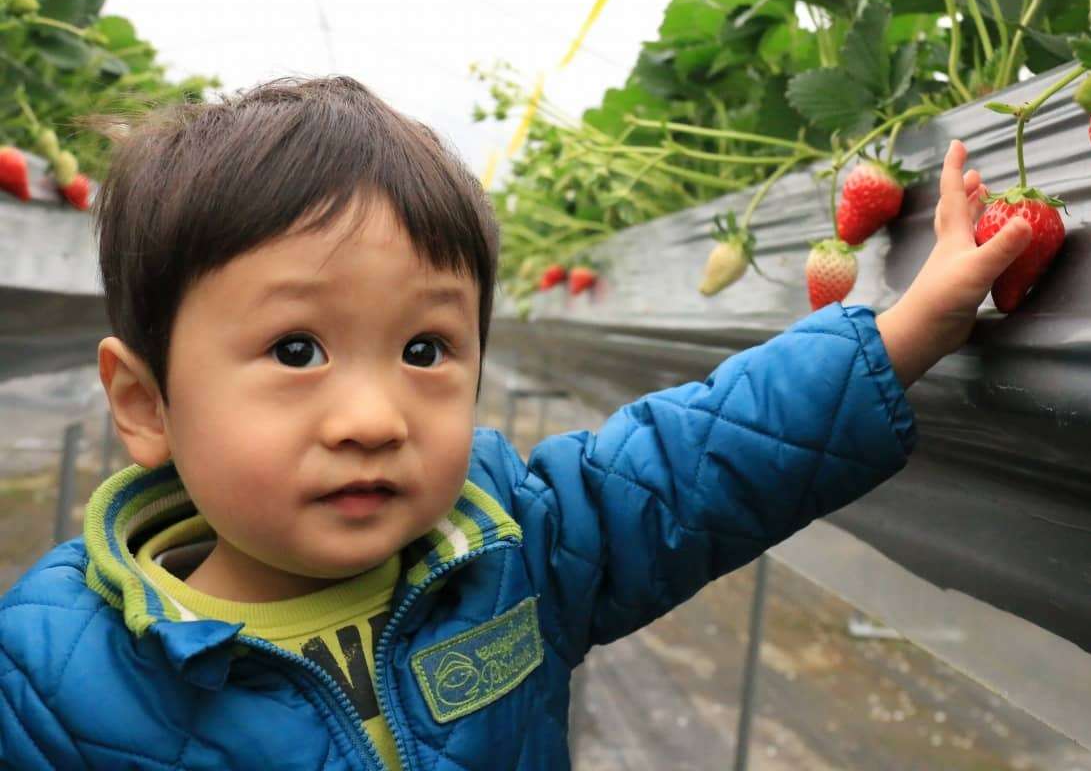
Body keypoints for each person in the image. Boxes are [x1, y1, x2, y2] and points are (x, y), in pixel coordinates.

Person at [0, 76, 1031, 770]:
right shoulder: (53, 681)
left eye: (425, 349)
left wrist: (899, 331)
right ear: (144, 404)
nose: (372, 417)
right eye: (296, 350)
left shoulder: (518, 550)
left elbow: (701, 456)